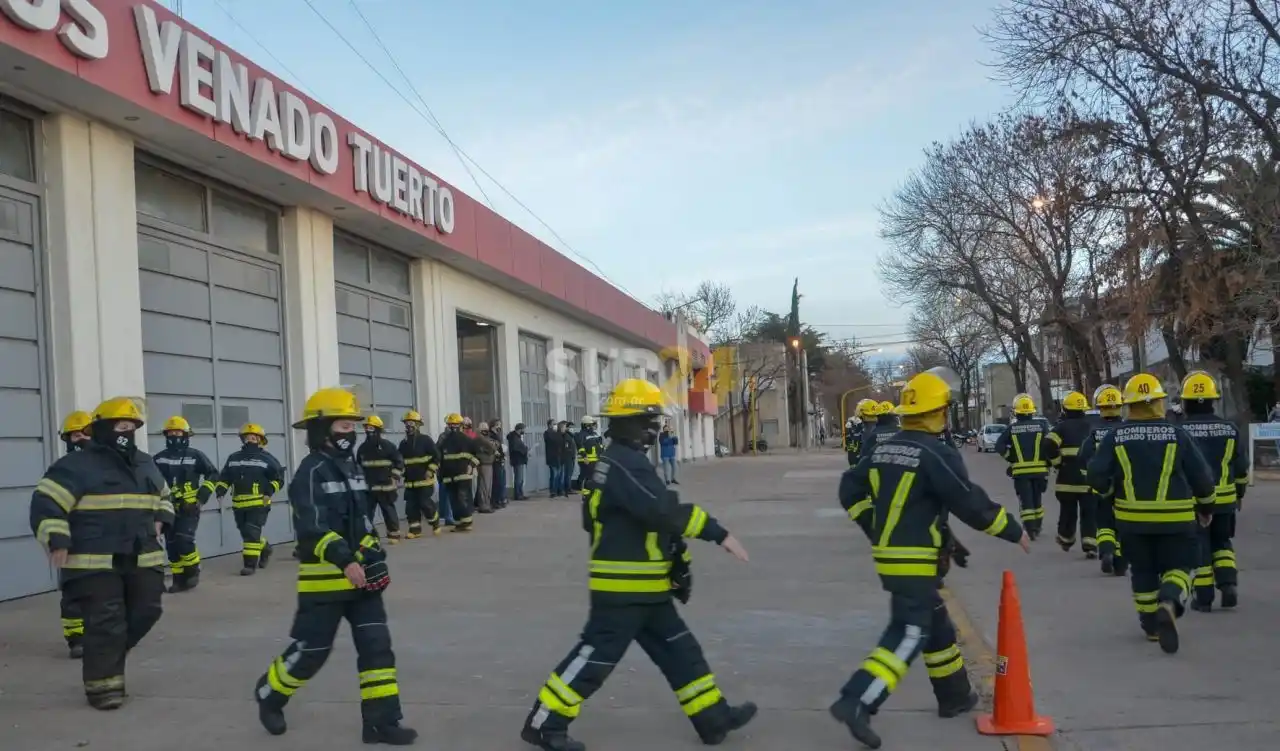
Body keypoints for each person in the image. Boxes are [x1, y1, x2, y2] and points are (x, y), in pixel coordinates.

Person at [520, 379, 756, 751]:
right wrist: (717, 533)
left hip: (647, 587)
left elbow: (619, 517)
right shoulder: (625, 464)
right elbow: (661, 509)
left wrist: (673, 558)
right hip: (624, 589)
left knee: (682, 653)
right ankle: (545, 722)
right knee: (595, 658)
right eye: (649, 420)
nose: (654, 429)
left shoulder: (613, 462)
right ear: (628, 421)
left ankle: (713, 718)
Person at [834, 370, 1028, 749]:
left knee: (937, 626)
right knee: (909, 633)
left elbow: (850, 487)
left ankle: (954, 695)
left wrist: (872, 524)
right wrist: (1011, 529)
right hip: (914, 559)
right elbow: (966, 499)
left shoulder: (882, 447)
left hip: (891, 553)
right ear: (938, 412)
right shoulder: (934, 452)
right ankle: (858, 700)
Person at [253, 387, 416, 745]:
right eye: (342, 426)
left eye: (350, 426)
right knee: (312, 652)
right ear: (322, 429)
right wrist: (344, 560)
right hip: (323, 584)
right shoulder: (309, 473)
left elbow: (362, 520)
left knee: (377, 648)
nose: (349, 433)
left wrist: (374, 558)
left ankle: (381, 722)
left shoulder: (353, 468)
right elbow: (312, 529)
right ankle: (270, 693)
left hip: (362, 584)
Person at [30, 397, 171, 709]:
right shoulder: (75, 466)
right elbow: (47, 504)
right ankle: (102, 688)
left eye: (133, 427)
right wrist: (57, 538)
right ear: (103, 428)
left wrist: (164, 516)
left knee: (147, 610)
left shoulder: (144, 462)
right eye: (122, 426)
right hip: (93, 559)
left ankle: (105, 656)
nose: (128, 432)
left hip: (141, 555)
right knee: (107, 621)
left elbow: (163, 494)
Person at [1086, 373, 1215, 654]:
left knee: (1143, 571)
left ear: (1128, 405)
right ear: (1158, 402)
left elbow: (1096, 474)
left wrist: (1108, 493)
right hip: (1177, 520)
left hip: (1132, 522)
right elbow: (1202, 477)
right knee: (1181, 567)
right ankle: (1169, 600)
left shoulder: (1115, 436)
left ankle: (1151, 627)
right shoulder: (1178, 434)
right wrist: (1206, 508)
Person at [1178, 371, 1249, 611]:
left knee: (1200, 547)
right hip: (1226, 500)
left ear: (1185, 401)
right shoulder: (1230, 429)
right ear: (1213, 400)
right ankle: (1228, 584)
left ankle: (1204, 597)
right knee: (1222, 542)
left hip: (1194, 501)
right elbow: (1240, 467)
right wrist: (1239, 493)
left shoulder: (1180, 431)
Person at [154, 415, 219, 592]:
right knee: (172, 545)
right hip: (167, 508)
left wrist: (201, 498)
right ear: (166, 436)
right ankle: (178, 579)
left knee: (184, 540)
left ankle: (193, 570)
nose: (174, 436)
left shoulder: (196, 456)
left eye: (178, 432)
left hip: (189, 507)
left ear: (186, 435)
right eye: (171, 432)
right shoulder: (158, 459)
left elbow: (213, 475)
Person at [216, 423, 285, 576]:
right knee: (246, 533)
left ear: (260, 440)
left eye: (254, 437)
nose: (250, 440)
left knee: (251, 532)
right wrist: (220, 490)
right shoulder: (233, 458)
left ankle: (249, 565)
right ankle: (265, 547)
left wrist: (269, 491)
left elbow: (278, 478)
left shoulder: (268, 459)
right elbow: (225, 476)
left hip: (259, 502)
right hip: (239, 503)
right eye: (247, 437)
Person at [53, 410, 92, 658]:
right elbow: (49, 505)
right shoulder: (60, 470)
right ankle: (76, 639)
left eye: (83, 434)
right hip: (74, 539)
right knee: (73, 591)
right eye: (73, 435)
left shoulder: (110, 465)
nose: (78, 439)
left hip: (104, 539)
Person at [1079, 384, 1128, 576]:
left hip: (1101, 486)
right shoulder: (1127, 430)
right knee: (1123, 525)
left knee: (1104, 523)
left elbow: (1084, 456)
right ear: (1119, 406)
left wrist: (1091, 479)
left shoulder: (1095, 432)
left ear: (1100, 408)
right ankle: (1121, 561)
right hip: (1127, 488)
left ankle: (1107, 552)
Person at [1044, 392, 1098, 557]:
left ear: (1065, 409)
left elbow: (1048, 444)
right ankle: (1090, 543)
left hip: (1066, 478)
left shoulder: (1061, 427)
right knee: (1089, 512)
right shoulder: (1092, 426)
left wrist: (1057, 462)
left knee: (1068, 511)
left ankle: (1066, 538)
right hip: (1088, 479)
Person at [994, 394, 1050, 539]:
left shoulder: (1012, 428)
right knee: (1037, 499)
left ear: (1016, 412)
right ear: (1032, 411)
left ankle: (1030, 529)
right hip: (1040, 471)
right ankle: (1037, 526)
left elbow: (999, 445)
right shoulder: (1042, 427)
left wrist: (1010, 458)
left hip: (1021, 472)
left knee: (1026, 501)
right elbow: (1050, 445)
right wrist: (1048, 462)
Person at [359, 416, 405, 543]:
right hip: (369, 488)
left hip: (386, 487)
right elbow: (359, 467)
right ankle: (369, 537)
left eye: (371, 427)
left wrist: (394, 477)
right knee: (367, 514)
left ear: (378, 429)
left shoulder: (387, 446)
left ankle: (394, 534)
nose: (368, 430)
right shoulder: (362, 448)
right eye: (366, 428)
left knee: (388, 511)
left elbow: (399, 462)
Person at [399, 410, 440, 537]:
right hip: (410, 482)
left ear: (417, 425)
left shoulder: (425, 440)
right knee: (411, 507)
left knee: (425, 504)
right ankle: (415, 530)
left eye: (411, 423)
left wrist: (430, 470)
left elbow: (437, 457)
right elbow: (399, 460)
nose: (408, 426)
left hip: (425, 480)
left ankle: (435, 523)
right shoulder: (403, 443)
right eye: (407, 423)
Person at [438, 413, 481, 531]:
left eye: (455, 425)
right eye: (450, 425)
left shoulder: (467, 440)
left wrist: (471, 466)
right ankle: (459, 523)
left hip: (462, 476)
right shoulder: (444, 441)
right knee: (453, 501)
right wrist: (440, 475)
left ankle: (467, 522)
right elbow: (440, 458)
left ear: (460, 425)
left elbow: (476, 455)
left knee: (463, 499)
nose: (452, 427)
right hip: (449, 477)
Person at [574, 416, 603, 493]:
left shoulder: (595, 434)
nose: (594, 426)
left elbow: (600, 445)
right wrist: (584, 457)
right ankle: (585, 493)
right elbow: (580, 446)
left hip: (596, 459)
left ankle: (592, 491)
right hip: (587, 460)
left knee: (594, 477)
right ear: (587, 425)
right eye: (592, 424)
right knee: (586, 477)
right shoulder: (581, 435)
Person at [474, 422, 498, 514]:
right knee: (484, 486)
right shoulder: (479, 438)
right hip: (483, 463)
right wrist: (493, 445)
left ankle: (487, 504)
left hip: (488, 463)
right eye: (484, 429)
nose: (486, 431)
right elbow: (492, 447)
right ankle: (483, 505)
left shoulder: (483, 438)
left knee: (488, 486)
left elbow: (495, 445)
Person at [508, 423, 530, 500]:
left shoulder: (516, 437)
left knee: (520, 478)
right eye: (523, 429)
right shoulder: (514, 437)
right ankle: (518, 494)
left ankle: (520, 493)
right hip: (517, 460)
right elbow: (517, 448)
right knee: (518, 478)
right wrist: (525, 450)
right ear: (519, 429)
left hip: (519, 460)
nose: (524, 430)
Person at [490, 419, 508, 509]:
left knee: (502, 481)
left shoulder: (498, 434)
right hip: (495, 461)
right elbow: (493, 446)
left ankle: (501, 499)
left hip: (501, 459)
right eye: (498, 425)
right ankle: (495, 501)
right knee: (497, 482)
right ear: (494, 425)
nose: (499, 427)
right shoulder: (491, 435)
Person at [543, 419, 562, 497]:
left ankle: (558, 490)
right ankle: (553, 491)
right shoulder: (547, 433)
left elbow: (561, 441)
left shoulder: (557, 433)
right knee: (554, 474)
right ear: (550, 425)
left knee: (558, 474)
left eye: (556, 424)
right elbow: (553, 441)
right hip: (552, 457)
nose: (556, 425)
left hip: (558, 456)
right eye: (554, 424)